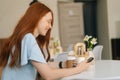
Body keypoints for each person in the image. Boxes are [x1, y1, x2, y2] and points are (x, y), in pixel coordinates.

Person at [0, 1, 93, 80]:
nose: (50, 26)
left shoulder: (23, 37)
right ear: (36, 18)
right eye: (48, 21)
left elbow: (43, 65)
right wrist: (79, 69)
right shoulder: (29, 38)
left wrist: (62, 64)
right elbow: (48, 75)